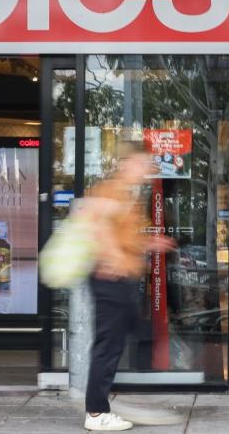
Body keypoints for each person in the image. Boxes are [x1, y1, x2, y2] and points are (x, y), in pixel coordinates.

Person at [76, 146, 176, 432]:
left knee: (128, 335)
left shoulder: (126, 195)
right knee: (108, 346)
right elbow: (94, 225)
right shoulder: (111, 191)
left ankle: (100, 403)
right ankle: (95, 413)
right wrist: (112, 259)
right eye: (140, 165)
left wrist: (151, 244)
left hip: (121, 280)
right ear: (127, 164)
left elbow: (123, 237)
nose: (144, 171)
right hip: (111, 280)